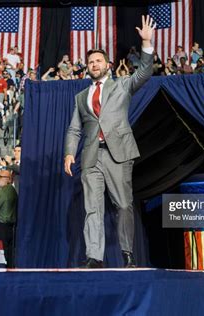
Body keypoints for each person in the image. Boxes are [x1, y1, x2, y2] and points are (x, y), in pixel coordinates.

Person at [64, 15, 155, 269]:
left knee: (124, 205)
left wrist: (146, 43)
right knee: (92, 208)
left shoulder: (122, 86)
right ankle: (95, 257)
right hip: (91, 157)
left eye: (98, 61)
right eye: (91, 62)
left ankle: (127, 253)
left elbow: (145, 72)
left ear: (108, 64)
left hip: (119, 154)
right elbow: (74, 129)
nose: (94, 64)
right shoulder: (81, 97)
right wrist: (69, 153)